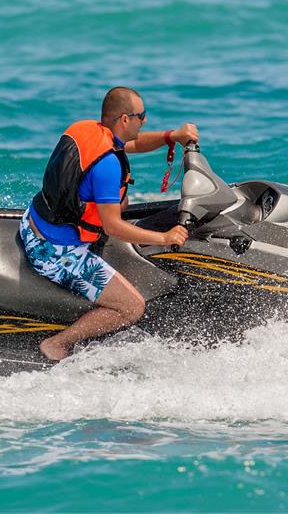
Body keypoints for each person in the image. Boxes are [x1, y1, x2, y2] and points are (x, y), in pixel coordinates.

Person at [22, 86, 197, 360]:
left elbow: (134, 144)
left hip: (34, 222)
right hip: (56, 252)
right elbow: (112, 228)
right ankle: (56, 343)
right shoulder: (107, 166)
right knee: (132, 307)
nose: (145, 120)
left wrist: (170, 137)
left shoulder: (87, 130)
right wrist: (165, 238)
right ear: (124, 119)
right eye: (142, 116)